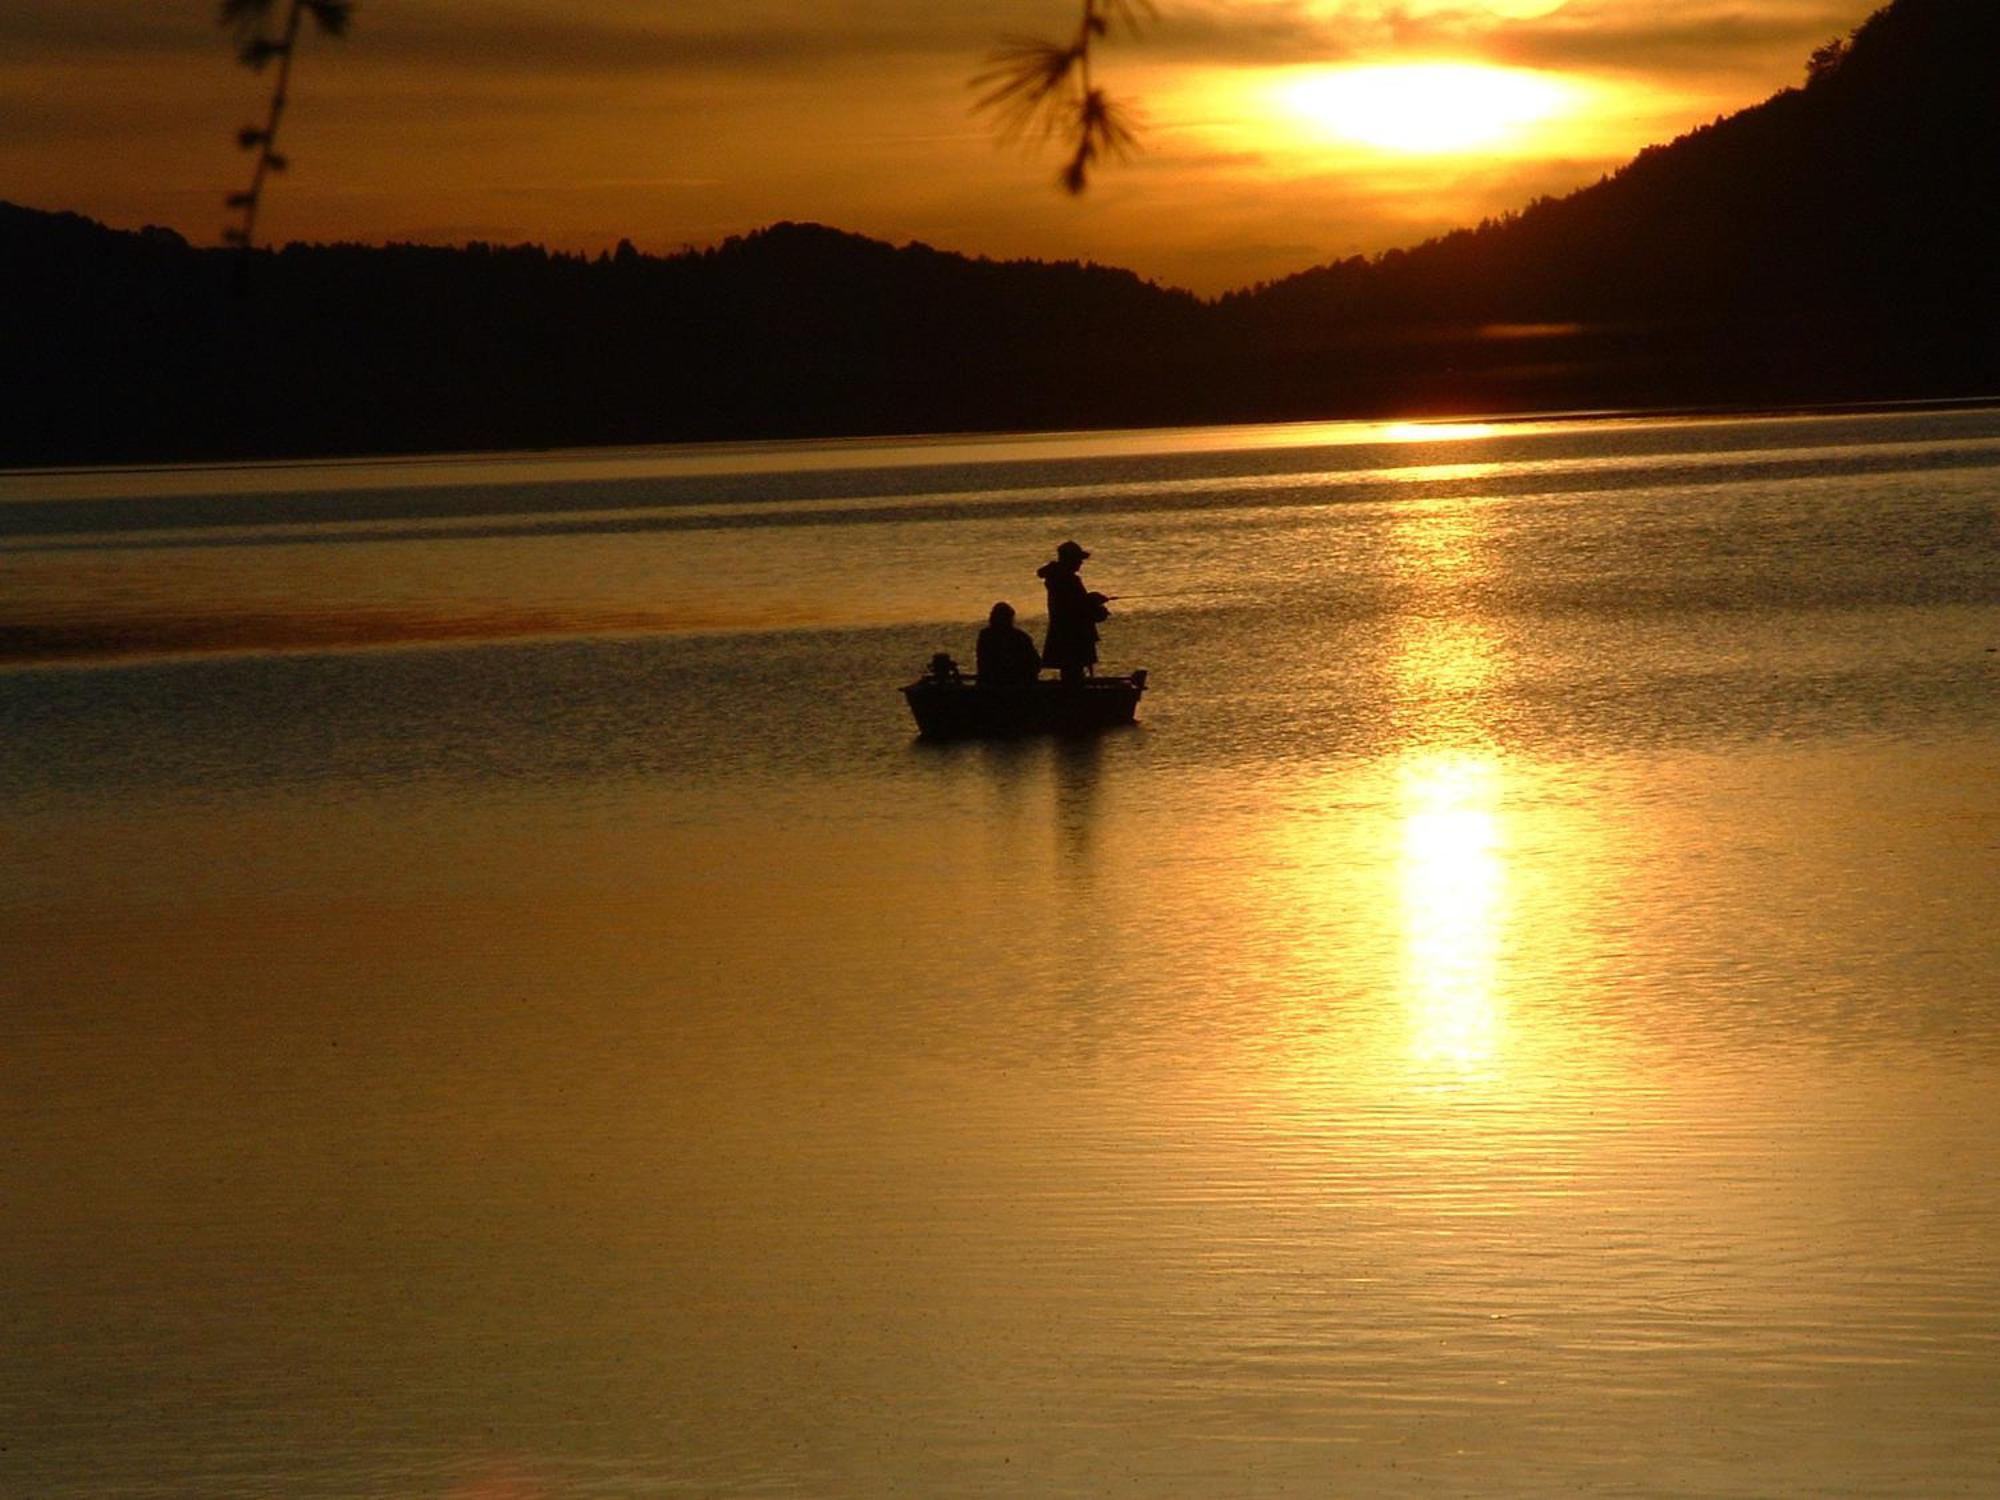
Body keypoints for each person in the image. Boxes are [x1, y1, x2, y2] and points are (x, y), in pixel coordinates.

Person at [1036, 539, 1108, 686]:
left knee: (1070, 671)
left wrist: (1092, 600)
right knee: (1073, 671)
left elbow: (1076, 603)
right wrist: (1095, 602)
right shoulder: (1068, 579)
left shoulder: (1056, 577)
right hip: (1073, 634)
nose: (1080, 563)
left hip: (1064, 632)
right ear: (1070, 559)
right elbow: (1076, 607)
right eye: (1078, 559)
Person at [976, 601, 1042, 687]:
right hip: (1009, 683)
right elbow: (1036, 663)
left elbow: (1035, 663)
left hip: (1008, 683)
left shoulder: (986, 636)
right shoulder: (1021, 637)